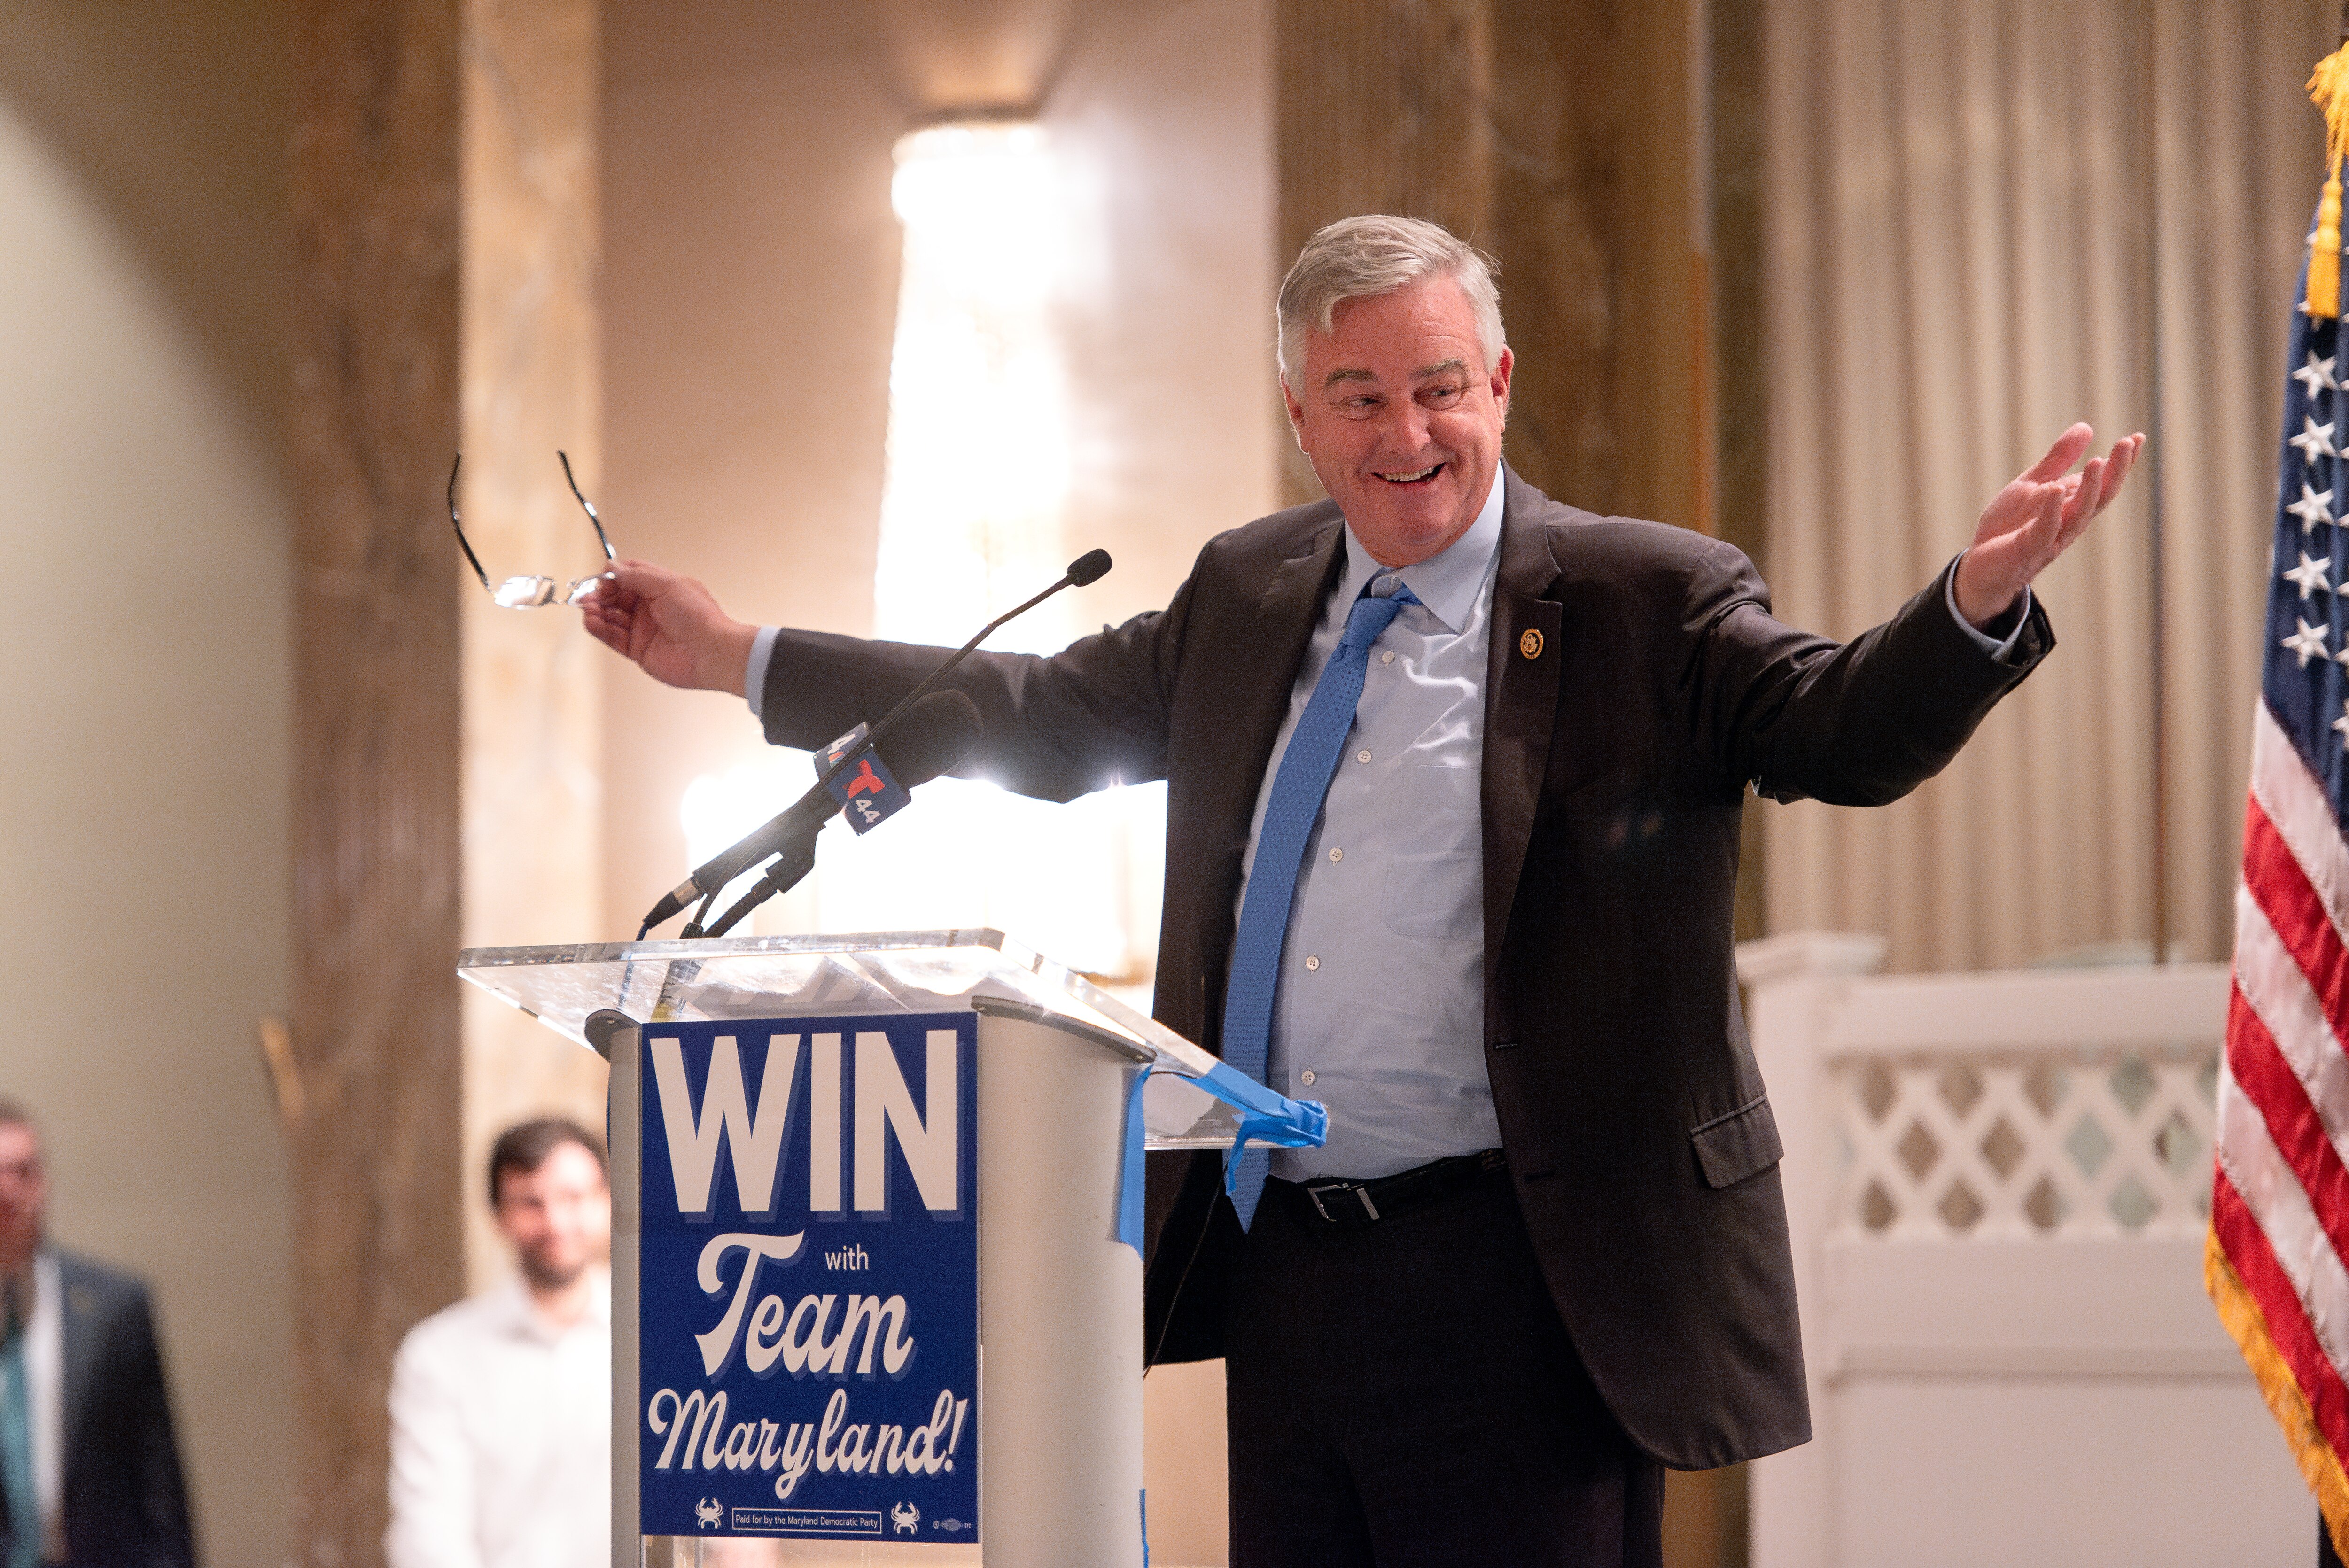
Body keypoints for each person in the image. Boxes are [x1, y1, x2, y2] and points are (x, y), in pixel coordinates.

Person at [580, 214, 2142, 1566]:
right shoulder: (1249, 592)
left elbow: (1835, 730)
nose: (1410, 432)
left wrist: (1969, 608)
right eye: (1362, 396)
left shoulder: (1639, 596)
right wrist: (736, 656)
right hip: (1289, 1273)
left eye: (1441, 386)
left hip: (1530, 1278)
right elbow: (1037, 712)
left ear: (1501, 383)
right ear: (1302, 418)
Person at [385, 1119, 611, 1568]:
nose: (555, 1222)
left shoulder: (666, 1339)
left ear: (607, 1202)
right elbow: (429, 1535)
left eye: (573, 1197)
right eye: (531, 1203)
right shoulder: (438, 1355)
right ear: (498, 1216)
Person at [0, 1099, 195, 1568]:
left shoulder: (115, 1308)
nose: (8, 1191)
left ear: (44, 1182)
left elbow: (160, 1488)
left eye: (23, 1171)